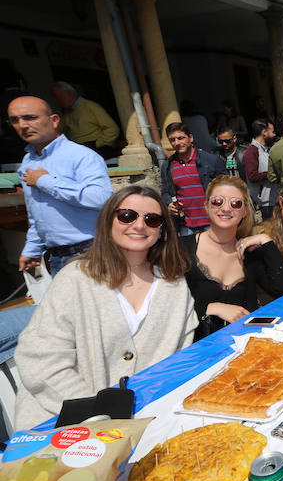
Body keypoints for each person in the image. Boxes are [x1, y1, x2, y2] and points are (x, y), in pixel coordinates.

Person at [13, 185, 196, 429]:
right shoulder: (75, 278)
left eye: (152, 219)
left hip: (146, 419)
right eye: (127, 216)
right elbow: (40, 360)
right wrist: (100, 415)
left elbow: (178, 361)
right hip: (62, 421)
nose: (140, 225)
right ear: (108, 221)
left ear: (162, 231)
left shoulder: (174, 284)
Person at [9, 96, 113, 276]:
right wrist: (32, 249)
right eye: (15, 120)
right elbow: (37, 213)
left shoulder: (81, 156)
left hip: (91, 254)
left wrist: (45, 181)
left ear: (54, 120)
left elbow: (101, 198)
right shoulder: (28, 162)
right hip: (56, 258)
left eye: (30, 117)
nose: (22, 125)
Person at [180, 176, 283, 339]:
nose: (226, 208)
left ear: (244, 211)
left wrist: (267, 241)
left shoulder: (250, 254)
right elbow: (164, 308)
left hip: (246, 346)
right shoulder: (182, 249)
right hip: (198, 352)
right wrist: (211, 308)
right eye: (217, 201)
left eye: (235, 203)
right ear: (206, 206)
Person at [161, 122, 227, 236]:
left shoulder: (211, 161)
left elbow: (227, 188)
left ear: (190, 138)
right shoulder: (167, 166)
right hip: (185, 226)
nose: (177, 143)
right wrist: (169, 204)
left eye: (181, 138)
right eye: (172, 140)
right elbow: (166, 192)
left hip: (213, 222)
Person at [49, 81, 119, 158]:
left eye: (56, 96)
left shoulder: (90, 106)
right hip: (79, 149)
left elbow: (112, 129)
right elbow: (59, 131)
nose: (55, 101)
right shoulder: (67, 112)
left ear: (67, 94)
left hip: (96, 148)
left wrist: (98, 144)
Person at [243, 118, 279, 220]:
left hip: (274, 198)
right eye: (272, 131)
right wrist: (273, 174)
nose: (274, 135)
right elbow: (252, 176)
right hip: (265, 202)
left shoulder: (265, 150)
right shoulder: (252, 151)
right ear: (264, 132)